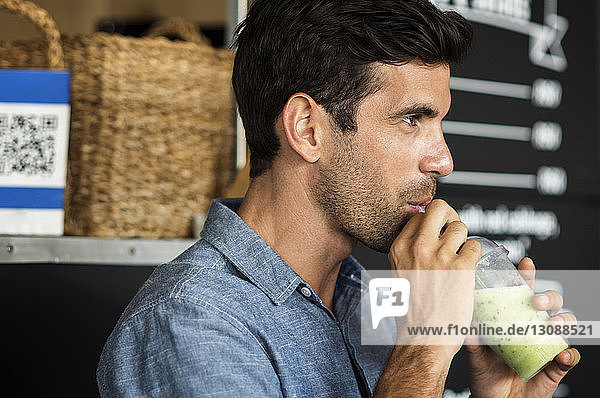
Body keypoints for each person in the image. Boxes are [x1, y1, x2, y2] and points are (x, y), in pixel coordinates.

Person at [97, 0, 580, 396]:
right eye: (412, 119)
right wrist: (424, 350)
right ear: (308, 130)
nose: (443, 160)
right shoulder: (193, 326)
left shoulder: (370, 304)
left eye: (440, 123)